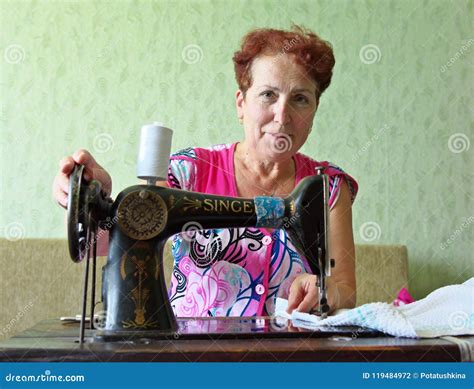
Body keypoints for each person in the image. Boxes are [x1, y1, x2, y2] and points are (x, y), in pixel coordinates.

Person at [53, 26, 358, 317]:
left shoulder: (328, 186)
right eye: (268, 95)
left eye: (300, 99)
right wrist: (96, 202)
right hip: (193, 355)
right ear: (241, 104)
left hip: (291, 356)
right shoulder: (186, 172)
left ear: (314, 111)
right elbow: (105, 244)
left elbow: (345, 290)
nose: (282, 115)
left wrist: (326, 289)